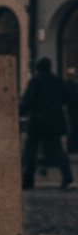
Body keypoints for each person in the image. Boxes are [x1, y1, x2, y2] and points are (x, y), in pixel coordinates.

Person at [20, 57, 74, 190]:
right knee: (56, 149)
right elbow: (65, 99)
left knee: (30, 151)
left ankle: (28, 178)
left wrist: (20, 111)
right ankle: (67, 175)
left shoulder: (36, 81)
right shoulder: (57, 81)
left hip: (38, 121)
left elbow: (28, 100)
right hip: (54, 121)